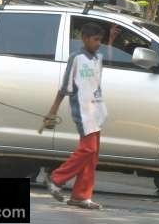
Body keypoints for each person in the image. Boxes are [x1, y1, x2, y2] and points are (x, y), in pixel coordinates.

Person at [43, 22, 107, 210]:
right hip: (82, 110)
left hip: (96, 110)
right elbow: (65, 87)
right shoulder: (76, 58)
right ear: (85, 38)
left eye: (101, 40)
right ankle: (56, 178)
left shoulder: (98, 58)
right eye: (96, 40)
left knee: (93, 154)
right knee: (88, 149)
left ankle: (81, 195)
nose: (98, 43)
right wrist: (53, 110)